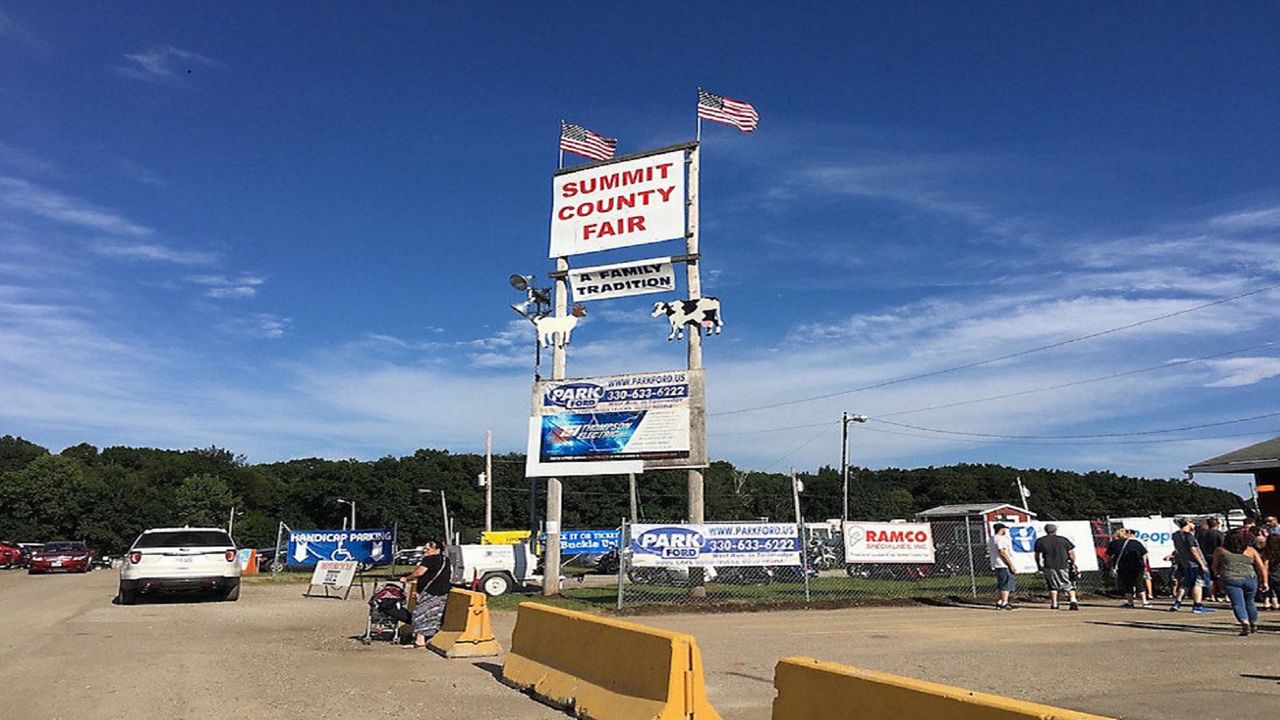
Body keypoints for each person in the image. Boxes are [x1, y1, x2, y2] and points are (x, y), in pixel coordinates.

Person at [398, 540, 452, 649]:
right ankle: (430, 638)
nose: (424, 551)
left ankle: (420, 640)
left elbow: (419, 573)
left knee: (421, 614)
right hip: (443, 591)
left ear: (437, 549)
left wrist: (407, 578)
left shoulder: (429, 559)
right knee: (435, 615)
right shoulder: (446, 560)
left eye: (427, 549)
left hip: (430, 591)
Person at [1213, 529, 1268, 635]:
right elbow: (1261, 567)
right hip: (1250, 578)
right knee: (1250, 602)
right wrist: (1265, 581)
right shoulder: (1250, 550)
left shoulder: (1220, 550)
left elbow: (1215, 566)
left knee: (1238, 603)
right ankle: (1253, 622)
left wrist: (1218, 575)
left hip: (1230, 578)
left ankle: (1244, 622)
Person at [1169, 518, 1214, 614]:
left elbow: (1178, 549)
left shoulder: (1176, 535)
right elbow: (1193, 550)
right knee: (1198, 583)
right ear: (1188, 523)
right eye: (1192, 523)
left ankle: (1177, 603)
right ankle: (1197, 605)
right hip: (1195, 564)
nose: (1194, 525)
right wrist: (1202, 564)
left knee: (1185, 583)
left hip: (1185, 563)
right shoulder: (1188, 536)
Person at [1034, 523, 1079, 610]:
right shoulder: (1063, 540)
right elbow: (1071, 553)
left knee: (1052, 584)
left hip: (1049, 565)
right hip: (1063, 564)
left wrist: (1039, 565)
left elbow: (1037, 555)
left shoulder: (1041, 541)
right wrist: (1073, 562)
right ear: (1055, 530)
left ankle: (1054, 603)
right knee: (1067, 582)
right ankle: (1073, 600)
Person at [1111, 529, 1150, 608]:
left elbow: (1109, 555)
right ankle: (1144, 602)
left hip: (1123, 567)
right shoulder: (1135, 543)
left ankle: (1130, 602)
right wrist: (1144, 564)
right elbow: (1144, 554)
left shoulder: (1113, 544)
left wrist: (1112, 565)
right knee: (1139, 583)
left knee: (1127, 585)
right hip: (1137, 566)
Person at [987, 523, 1018, 610]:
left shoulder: (992, 538)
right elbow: (1002, 552)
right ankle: (1004, 602)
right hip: (1003, 564)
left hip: (996, 564)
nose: (1005, 531)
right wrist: (1010, 564)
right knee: (1006, 583)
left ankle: (999, 601)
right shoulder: (1001, 539)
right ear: (1001, 529)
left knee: (1001, 583)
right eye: (1005, 529)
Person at [1198, 518, 1226, 601]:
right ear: (1217, 525)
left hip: (1204, 556)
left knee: (1209, 577)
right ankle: (1222, 594)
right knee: (1218, 575)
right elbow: (1222, 545)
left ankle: (1211, 595)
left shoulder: (1201, 534)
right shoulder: (1219, 534)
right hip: (1216, 556)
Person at [1263, 534, 1280, 612]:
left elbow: (1266, 564)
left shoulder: (1267, 551)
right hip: (1278, 573)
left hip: (1271, 573)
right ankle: (1275, 603)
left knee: (1270, 589)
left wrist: (1264, 576)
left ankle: (1267, 603)